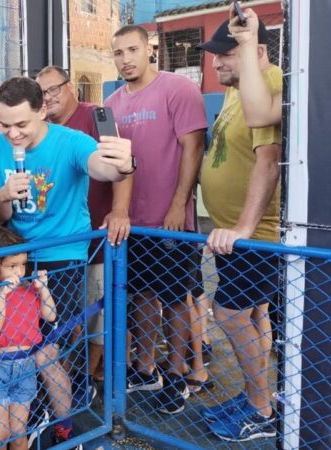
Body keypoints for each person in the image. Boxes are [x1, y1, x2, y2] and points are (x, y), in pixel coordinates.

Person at [0, 76, 132, 444]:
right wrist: (4, 193)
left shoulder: (72, 141)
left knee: (46, 346)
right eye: (5, 124)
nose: (13, 133)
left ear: (42, 111)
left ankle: (62, 424)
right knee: (11, 343)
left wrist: (123, 164)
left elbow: (104, 168)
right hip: (14, 254)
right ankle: (32, 417)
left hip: (61, 257)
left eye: (21, 124)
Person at [106, 25, 208, 414]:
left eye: (132, 49)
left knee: (175, 297)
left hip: (171, 223)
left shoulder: (178, 88)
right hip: (132, 223)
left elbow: (192, 148)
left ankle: (178, 375)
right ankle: (147, 368)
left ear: (149, 50)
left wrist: (177, 206)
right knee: (144, 294)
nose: (126, 58)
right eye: (118, 52)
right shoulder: (112, 103)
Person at [197, 18, 282, 442]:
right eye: (215, 56)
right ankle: (255, 395)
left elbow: (269, 160)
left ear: (258, 51)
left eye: (227, 54)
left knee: (229, 314)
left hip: (253, 235)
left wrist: (245, 226)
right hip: (230, 233)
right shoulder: (236, 92)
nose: (217, 63)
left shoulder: (268, 82)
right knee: (252, 313)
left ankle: (262, 408)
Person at [36, 64, 132, 388]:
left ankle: (86, 380)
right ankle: (72, 379)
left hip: (97, 235)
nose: (48, 97)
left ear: (69, 87)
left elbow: (123, 166)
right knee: (65, 316)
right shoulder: (41, 128)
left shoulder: (97, 116)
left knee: (97, 311)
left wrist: (119, 210)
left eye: (53, 89)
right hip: (61, 241)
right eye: (42, 92)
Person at [0, 227, 57, 450]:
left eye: (22, 264)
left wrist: (44, 290)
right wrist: (2, 294)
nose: (19, 271)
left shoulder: (30, 288)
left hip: (26, 366)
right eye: (11, 266)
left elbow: (50, 316)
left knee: (18, 434)